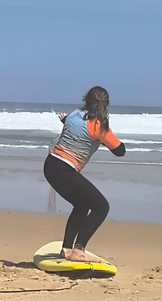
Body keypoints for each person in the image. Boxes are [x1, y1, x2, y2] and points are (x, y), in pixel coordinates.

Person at [44, 86, 125, 262]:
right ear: (106, 104)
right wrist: (103, 138)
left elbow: (68, 122)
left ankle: (66, 249)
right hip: (64, 169)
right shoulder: (100, 126)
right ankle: (79, 250)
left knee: (81, 205)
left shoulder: (74, 113)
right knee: (101, 207)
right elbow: (120, 151)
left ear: (86, 100)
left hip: (51, 165)